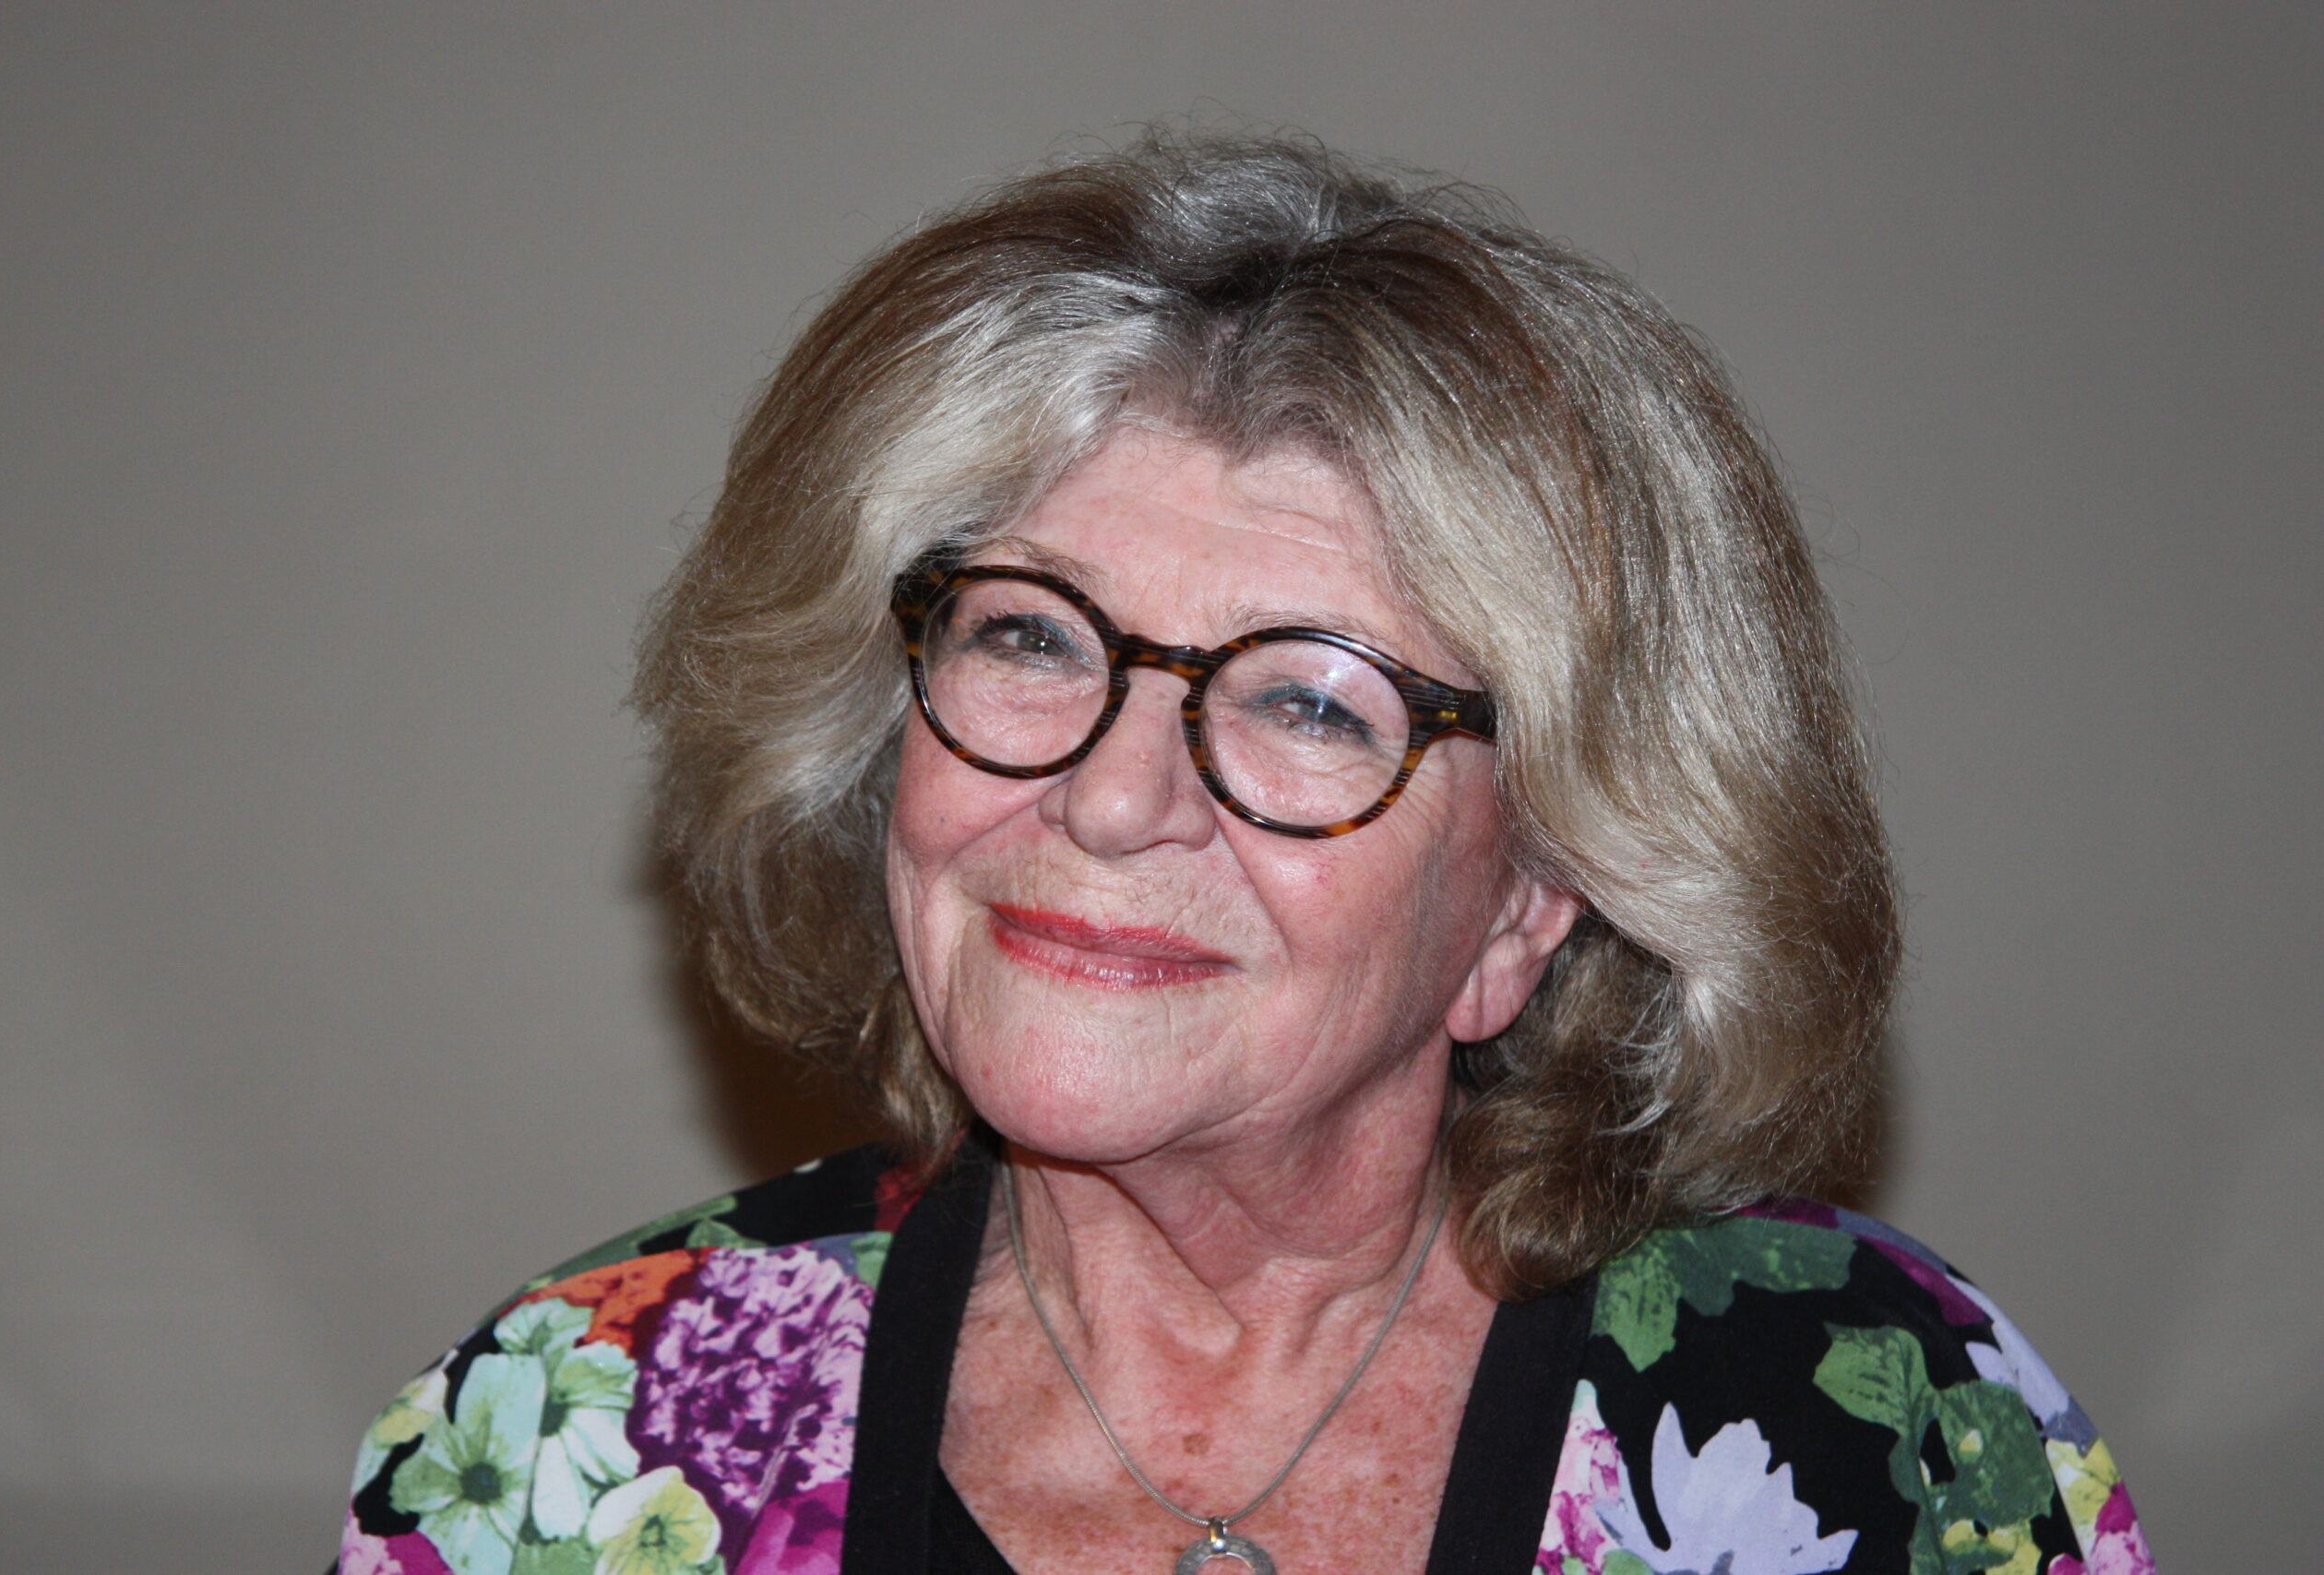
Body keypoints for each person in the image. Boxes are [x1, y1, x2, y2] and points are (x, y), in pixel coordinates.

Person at [335, 132, 2154, 1575]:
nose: (1112, 798)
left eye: (1308, 702)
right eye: (1030, 635)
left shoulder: (1881, 1429)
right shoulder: (574, 1441)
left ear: (1535, 896)